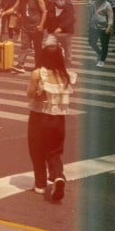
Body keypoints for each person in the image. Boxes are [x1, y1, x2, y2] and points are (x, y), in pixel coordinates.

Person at [26, 39, 76, 201]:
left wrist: (38, 89)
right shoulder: (66, 75)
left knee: (37, 150)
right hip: (59, 120)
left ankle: (40, 185)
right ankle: (58, 176)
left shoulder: (39, 73)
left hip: (40, 117)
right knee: (54, 151)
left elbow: (31, 94)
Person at [0, 0, 46, 74]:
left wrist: (41, 25)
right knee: (24, 46)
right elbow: (14, 8)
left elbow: (44, 11)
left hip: (36, 28)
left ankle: (38, 65)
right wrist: (4, 13)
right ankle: (20, 64)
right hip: (25, 27)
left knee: (37, 48)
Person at [43, 0, 76, 68]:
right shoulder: (51, 7)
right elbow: (48, 19)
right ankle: (50, 63)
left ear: (65, 0)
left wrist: (61, 27)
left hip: (65, 33)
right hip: (53, 32)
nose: (60, 1)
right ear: (55, 0)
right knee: (48, 46)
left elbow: (70, 19)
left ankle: (68, 64)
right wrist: (43, 27)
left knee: (67, 49)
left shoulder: (69, 7)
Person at [88, 0, 114, 67]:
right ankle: (99, 53)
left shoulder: (107, 5)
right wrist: (89, 24)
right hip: (94, 26)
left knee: (104, 44)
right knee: (91, 42)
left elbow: (110, 16)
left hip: (104, 27)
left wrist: (109, 27)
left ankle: (102, 60)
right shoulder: (93, 4)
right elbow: (91, 14)